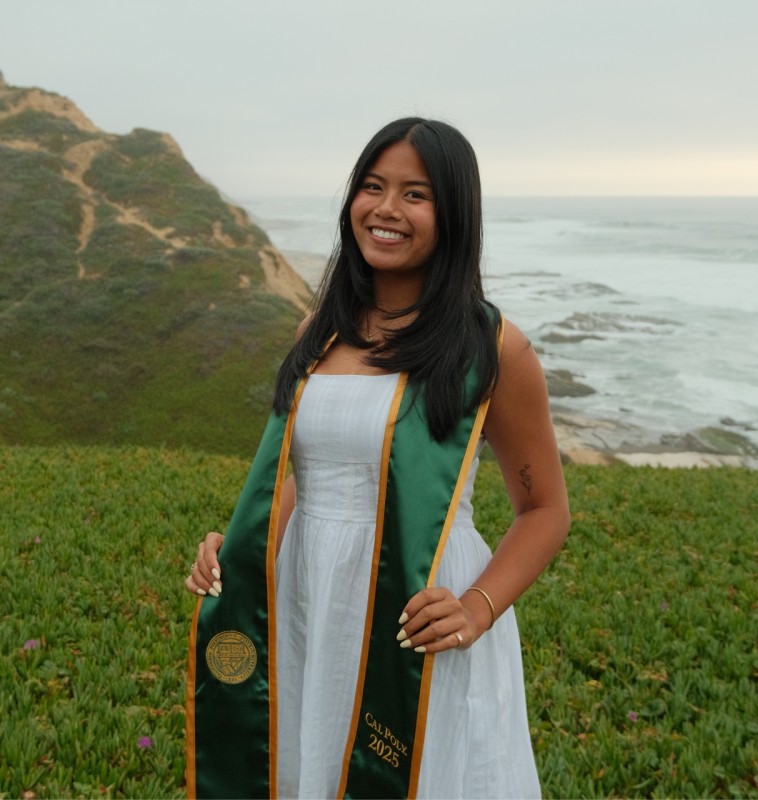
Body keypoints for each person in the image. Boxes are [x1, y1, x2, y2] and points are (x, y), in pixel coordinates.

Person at [184, 117, 570, 799]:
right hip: (308, 594)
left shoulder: (492, 347)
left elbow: (544, 510)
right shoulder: (319, 331)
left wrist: (478, 607)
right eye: (372, 187)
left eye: (415, 194)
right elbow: (308, 476)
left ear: (453, 213)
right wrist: (242, 549)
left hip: (417, 604)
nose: (387, 209)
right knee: (313, 761)